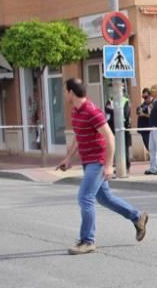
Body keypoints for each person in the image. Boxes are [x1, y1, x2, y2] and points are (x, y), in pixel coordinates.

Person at [56, 78, 149, 255]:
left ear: (71, 92)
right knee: (104, 198)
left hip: (97, 162)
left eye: (64, 90)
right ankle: (137, 217)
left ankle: (87, 241)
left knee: (85, 198)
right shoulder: (75, 112)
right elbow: (79, 136)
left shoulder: (92, 111)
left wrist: (108, 166)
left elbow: (110, 137)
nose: (63, 94)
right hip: (87, 161)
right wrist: (68, 158)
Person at [137, 88, 152, 153]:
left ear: (150, 96)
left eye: (146, 97)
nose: (145, 99)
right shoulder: (143, 105)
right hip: (143, 129)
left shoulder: (151, 105)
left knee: (150, 147)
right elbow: (139, 113)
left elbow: (152, 116)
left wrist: (143, 114)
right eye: (143, 97)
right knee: (147, 146)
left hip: (149, 129)